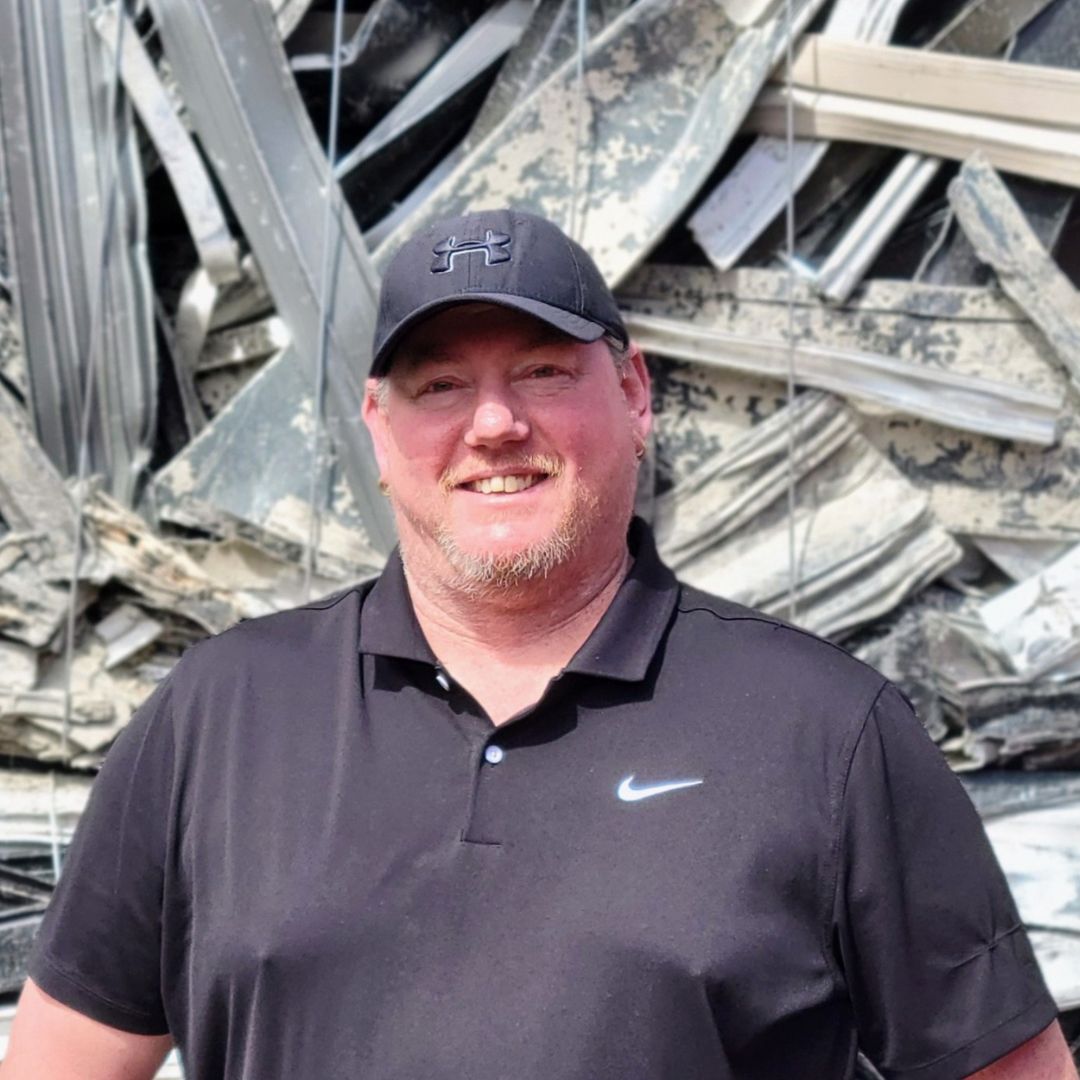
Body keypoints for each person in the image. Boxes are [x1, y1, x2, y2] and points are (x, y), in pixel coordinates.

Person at [3, 209, 1075, 1080]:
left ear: (635, 393)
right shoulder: (217, 719)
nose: (493, 424)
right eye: (439, 385)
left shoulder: (828, 735)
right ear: (377, 430)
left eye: (544, 371)